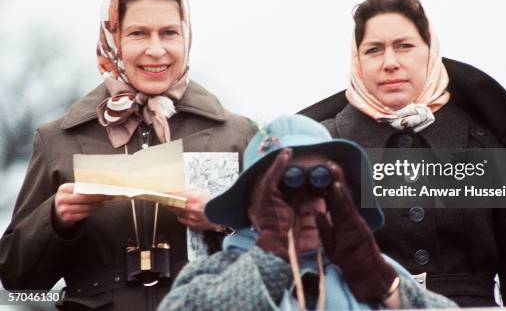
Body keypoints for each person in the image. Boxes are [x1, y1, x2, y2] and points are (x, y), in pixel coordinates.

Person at [0, 0, 254, 310]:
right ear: (113, 38)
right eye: (138, 33)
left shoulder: (237, 136)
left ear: (187, 36)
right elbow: (18, 281)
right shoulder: (58, 139)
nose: (156, 49)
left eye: (168, 33)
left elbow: (285, 260)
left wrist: (221, 219)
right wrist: (56, 219)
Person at [299, 0, 506, 306]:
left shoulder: (485, 145)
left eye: (404, 46)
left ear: (430, 50)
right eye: (374, 50)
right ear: (357, 61)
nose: (390, 63)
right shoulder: (322, 150)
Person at [159, 114, 457, 310]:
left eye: (321, 185)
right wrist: (270, 261)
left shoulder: (368, 269)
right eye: (284, 188)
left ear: (343, 194)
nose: (305, 205)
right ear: (253, 207)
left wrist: (383, 284)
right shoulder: (215, 273)